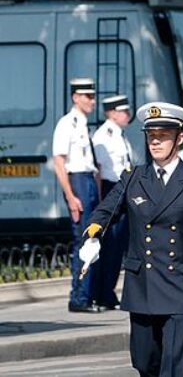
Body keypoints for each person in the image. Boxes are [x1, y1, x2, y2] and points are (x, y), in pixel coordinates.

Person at [78, 102, 183, 377]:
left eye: (163, 136)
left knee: (172, 366)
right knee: (146, 364)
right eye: (151, 136)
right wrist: (94, 236)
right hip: (143, 287)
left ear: (179, 138)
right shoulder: (134, 178)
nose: (155, 142)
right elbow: (105, 210)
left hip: (182, 287)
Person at [53, 78, 101, 313]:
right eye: (87, 96)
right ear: (75, 97)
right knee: (84, 240)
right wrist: (71, 197)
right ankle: (79, 297)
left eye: (92, 96)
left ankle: (87, 295)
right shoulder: (67, 123)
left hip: (88, 180)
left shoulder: (82, 123)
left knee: (93, 240)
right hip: (78, 181)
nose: (92, 100)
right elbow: (59, 162)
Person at [92, 94, 134, 311]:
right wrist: (102, 203)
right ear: (113, 113)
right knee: (110, 245)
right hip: (111, 189)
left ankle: (108, 292)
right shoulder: (103, 135)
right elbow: (99, 171)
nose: (127, 115)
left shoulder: (119, 134)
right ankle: (104, 294)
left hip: (122, 189)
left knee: (118, 247)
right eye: (124, 111)